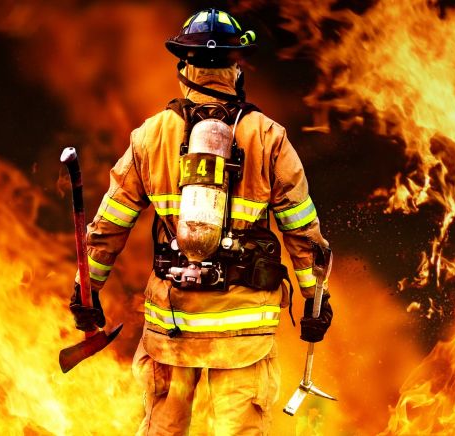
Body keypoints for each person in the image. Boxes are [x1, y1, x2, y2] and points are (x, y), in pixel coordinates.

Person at [69, 8, 333, 435]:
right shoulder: (268, 137)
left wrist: (87, 290)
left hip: (171, 327)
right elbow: (301, 229)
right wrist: (315, 299)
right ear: (236, 68)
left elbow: (109, 224)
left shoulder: (151, 136)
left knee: (163, 428)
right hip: (244, 332)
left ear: (184, 68)